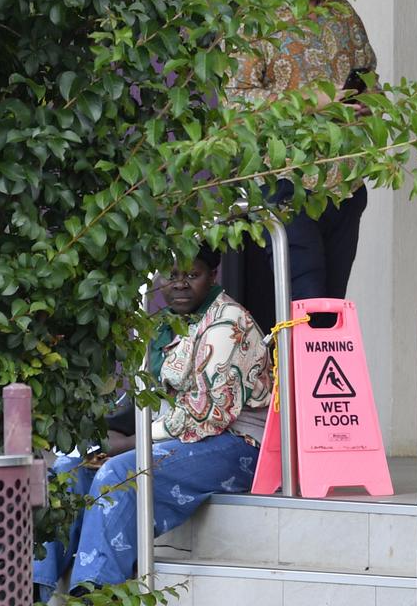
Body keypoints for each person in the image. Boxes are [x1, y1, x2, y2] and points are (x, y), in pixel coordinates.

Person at [34, 247, 271, 600]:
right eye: (171, 275)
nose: (180, 284)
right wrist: (100, 435)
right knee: (71, 465)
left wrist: (131, 443)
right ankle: (33, 587)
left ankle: (96, 593)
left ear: (213, 276)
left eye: (192, 275)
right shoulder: (164, 325)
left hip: (236, 444)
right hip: (173, 438)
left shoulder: (228, 321)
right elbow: (150, 400)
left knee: (121, 471)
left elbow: (206, 415)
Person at [227, 0, 377, 331]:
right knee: (307, 301)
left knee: (332, 303)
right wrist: (313, 102)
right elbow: (237, 101)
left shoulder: (342, 14)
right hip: (286, 178)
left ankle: (317, 394)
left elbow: (367, 74)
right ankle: (300, 394)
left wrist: (364, 101)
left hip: (343, 179)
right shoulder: (256, 20)